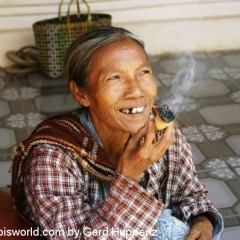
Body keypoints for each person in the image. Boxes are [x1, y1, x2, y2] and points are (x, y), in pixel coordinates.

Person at [11, 26, 224, 240]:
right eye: (115, 78)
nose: (136, 90)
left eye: (143, 72)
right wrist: (130, 176)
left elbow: (189, 194)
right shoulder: (52, 158)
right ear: (81, 93)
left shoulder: (164, 134)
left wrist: (202, 220)